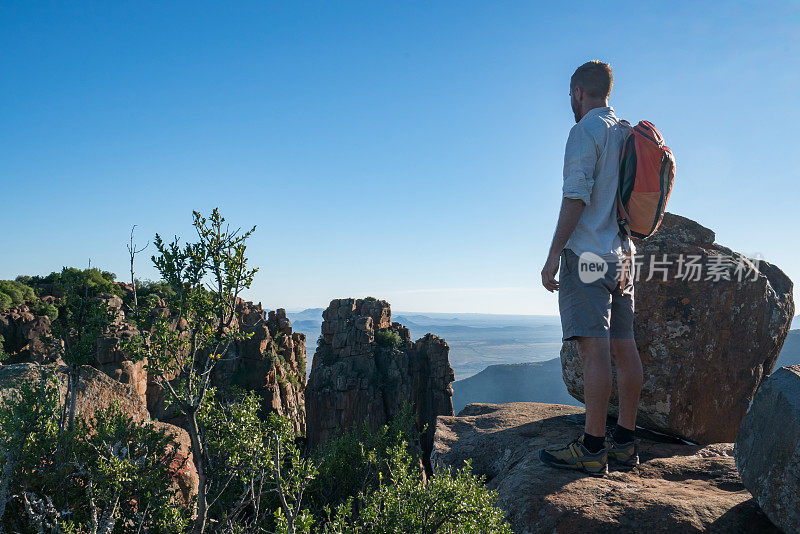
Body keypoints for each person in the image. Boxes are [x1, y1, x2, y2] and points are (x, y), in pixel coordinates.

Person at [539, 60, 643, 475]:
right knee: (624, 347)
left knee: (593, 351)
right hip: (623, 258)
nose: (570, 101)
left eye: (570, 95)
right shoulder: (627, 133)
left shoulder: (586, 131)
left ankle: (592, 446)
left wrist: (552, 256)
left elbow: (575, 197)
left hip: (587, 258)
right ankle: (624, 442)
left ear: (579, 91)